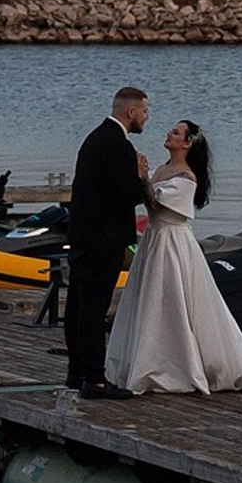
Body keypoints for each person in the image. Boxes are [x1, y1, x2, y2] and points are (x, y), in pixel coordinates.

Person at [106, 122, 242, 398]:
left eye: (176, 133)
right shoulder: (162, 170)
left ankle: (177, 363)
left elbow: (154, 203)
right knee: (151, 298)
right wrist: (138, 175)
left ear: (187, 143)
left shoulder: (186, 178)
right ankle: (148, 358)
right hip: (154, 239)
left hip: (172, 243)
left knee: (173, 298)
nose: (169, 134)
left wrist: (142, 177)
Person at [64, 85, 151, 394]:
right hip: (103, 239)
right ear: (131, 112)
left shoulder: (95, 138)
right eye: (144, 111)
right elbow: (128, 195)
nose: (146, 117)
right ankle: (95, 379)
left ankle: (77, 372)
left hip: (83, 236)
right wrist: (140, 176)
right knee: (93, 309)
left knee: (78, 306)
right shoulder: (118, 145)